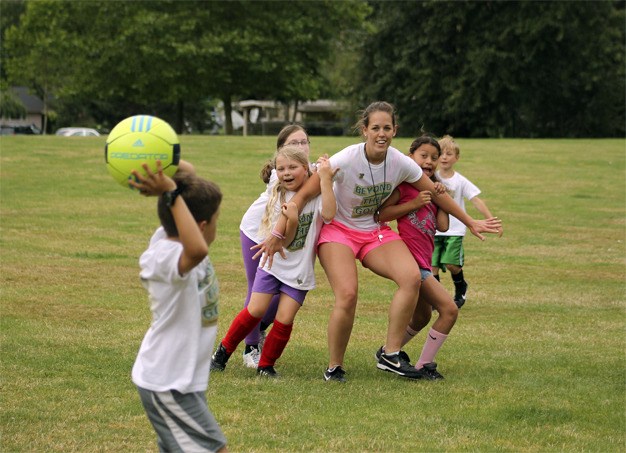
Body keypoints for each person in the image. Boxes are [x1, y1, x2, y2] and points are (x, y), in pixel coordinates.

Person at [255, 101, 501, 382]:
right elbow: (301, 197)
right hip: (338, 232)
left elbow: (435, 191)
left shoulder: (400, 162)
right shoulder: (347, 158)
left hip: (374, 230)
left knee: (411, 278)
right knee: (347, 294)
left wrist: (470, 222)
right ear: (364, 130)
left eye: (387, 128)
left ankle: (391, 353)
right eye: (375, 128)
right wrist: (277, 233)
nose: (381, 133)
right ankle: (335, 367)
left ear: (395, 130)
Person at [211, 145, 336, 377]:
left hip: (300, 269)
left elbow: (329, 214)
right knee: (256, 310)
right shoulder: (280, 196)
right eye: (281, 168)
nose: (286, 173)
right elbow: (285, 242)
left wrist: (326, 179)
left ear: (306, 169)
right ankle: (222, 353)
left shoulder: (316, 193)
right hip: (273, 264)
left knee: (285, 319)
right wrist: (293, 220)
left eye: (293, 167)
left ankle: (266, 366)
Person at [129, 163, 227, 452]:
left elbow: (190, 171)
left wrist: (164, 166)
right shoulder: (165, 256)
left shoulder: (168, 235)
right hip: (167, 382)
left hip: (180, 380)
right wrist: (170, 192)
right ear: (202, 227)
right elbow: (198, 250)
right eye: (216, 219)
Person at [376, 134, 458, 380]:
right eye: (424, 156)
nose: (430, 161)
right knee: (449, 310)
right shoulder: (405, 187)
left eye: (434, 157)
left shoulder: (433, 189)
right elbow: (382, 214)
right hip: (411, 263)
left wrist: (443, 200)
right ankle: (424, 365)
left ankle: (387, 352)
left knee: (422, 316)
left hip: (424, 261)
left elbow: (442, 226)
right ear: (410, 157)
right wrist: (413, 204)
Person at [238, 125, 315, 368]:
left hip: (281, 238)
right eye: (294, 144)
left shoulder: (308, 171)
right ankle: (250, 349)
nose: (301, 147)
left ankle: (256, 330)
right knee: (257, 292)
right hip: (255, 233)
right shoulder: (280, 173)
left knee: (283, 295)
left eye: (304, 142)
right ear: (281, 150)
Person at [432, 135, 502, 308]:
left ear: (457, 158)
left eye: (449, 154)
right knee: (431, 265)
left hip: (455, 230)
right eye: (441, 154)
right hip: (434, 229)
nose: (444, 157)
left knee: (451, 264)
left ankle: (460, 287)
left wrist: (490, 219)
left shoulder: (460, 180)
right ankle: (435, 299)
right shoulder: (432, 178)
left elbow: (476, 200)